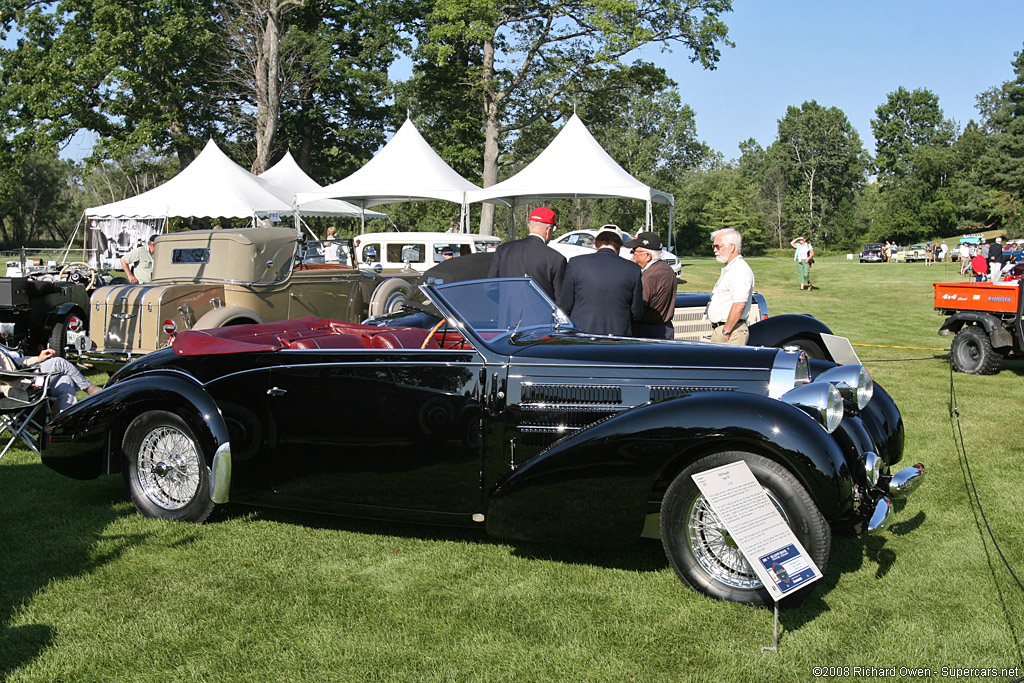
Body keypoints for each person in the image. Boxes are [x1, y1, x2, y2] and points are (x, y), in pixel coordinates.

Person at [557, 231, 642, 336]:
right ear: (619, 247)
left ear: (596, 244)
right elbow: (637, 312)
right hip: (618, 334)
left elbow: (565, 304)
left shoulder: (576, 263)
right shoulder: (633, 269)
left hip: (583, 332)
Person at [488, 207, 567, 299]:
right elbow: (561, 299)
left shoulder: (503, 250)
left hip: (508, 312)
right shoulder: (556, 258)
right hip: (540, 313)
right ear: (549, 230)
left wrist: (508, 303)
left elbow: (490, 288)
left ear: (529, 226)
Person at [0, 346, 100, 414]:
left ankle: (64, 424)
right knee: (59, 363)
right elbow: (4, 377)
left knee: (66, 381)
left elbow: (16, 363)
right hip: (17, 392)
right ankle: (92, 390)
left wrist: (38, 359)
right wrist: (29, 383)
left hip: (24, 381)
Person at [625, 231, 676, 339]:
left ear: (647, 256)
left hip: (647, 333)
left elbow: (637, 308)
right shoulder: (667, 269)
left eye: (634, 251)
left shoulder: (648, 277)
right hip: (665, 329)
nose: (632, 254)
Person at [708, 228, 755, 345]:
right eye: (714, 246)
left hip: (732, 331)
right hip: (724, 330)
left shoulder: (739, 270)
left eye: (718, 246)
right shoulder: (731, 268)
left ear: (732, 247)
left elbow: (739, 304)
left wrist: (726, 331)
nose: (715, 250)